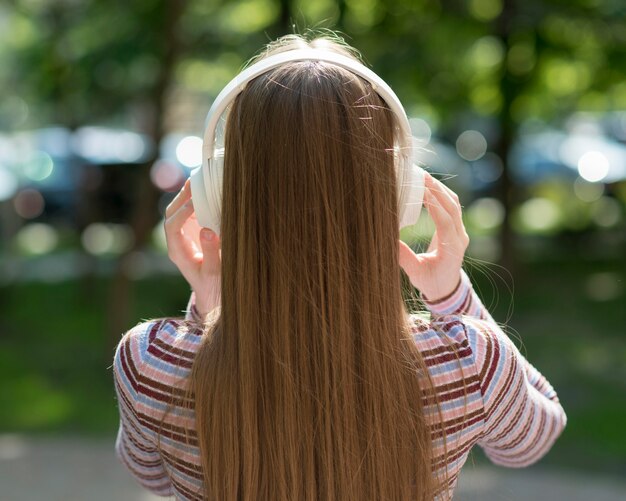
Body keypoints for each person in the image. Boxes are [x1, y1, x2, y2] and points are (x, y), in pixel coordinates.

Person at [112, 34, 566, 501]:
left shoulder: (150, 363)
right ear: (395, 191)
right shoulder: (468, 360)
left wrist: (208, 303)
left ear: (220, 193)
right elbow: (534, 436)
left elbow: (158, 481)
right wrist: (451, 295)